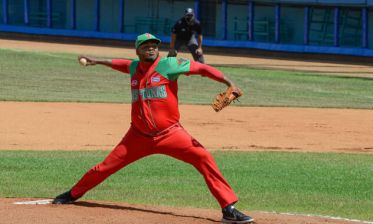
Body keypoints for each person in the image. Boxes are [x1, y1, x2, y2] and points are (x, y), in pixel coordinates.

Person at [52, 33, 254, 224]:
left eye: (154, 46)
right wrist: (97, 61)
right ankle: (73, 194)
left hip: (171, 134)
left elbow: (203, 69)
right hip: (137, 137)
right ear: (138, 51)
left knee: (204, 159)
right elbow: (119, 63)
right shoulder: (134, 68)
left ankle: (228, 208)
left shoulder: (169, 65)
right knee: (105, 167)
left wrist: (229, 82)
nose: (151, 49)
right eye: (145, 46)